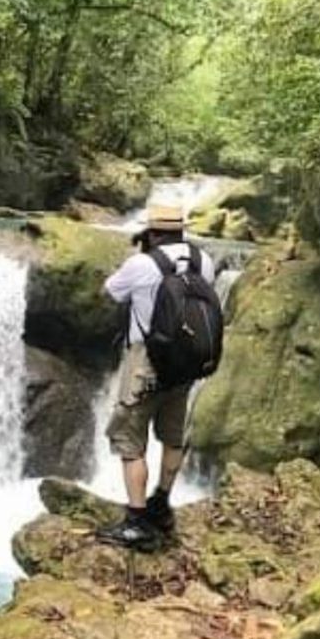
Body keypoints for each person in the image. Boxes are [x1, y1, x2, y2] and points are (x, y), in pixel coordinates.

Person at [96, 204, 216, 550]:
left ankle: (136, 522)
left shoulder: (141, 264)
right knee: (172, 436)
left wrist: (141, 257)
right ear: (182, 230)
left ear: (151, 233)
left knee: (130, 439)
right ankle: (161, 504)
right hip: (187, 361)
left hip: (146, 360)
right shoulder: (203, 261)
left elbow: (111, 291)